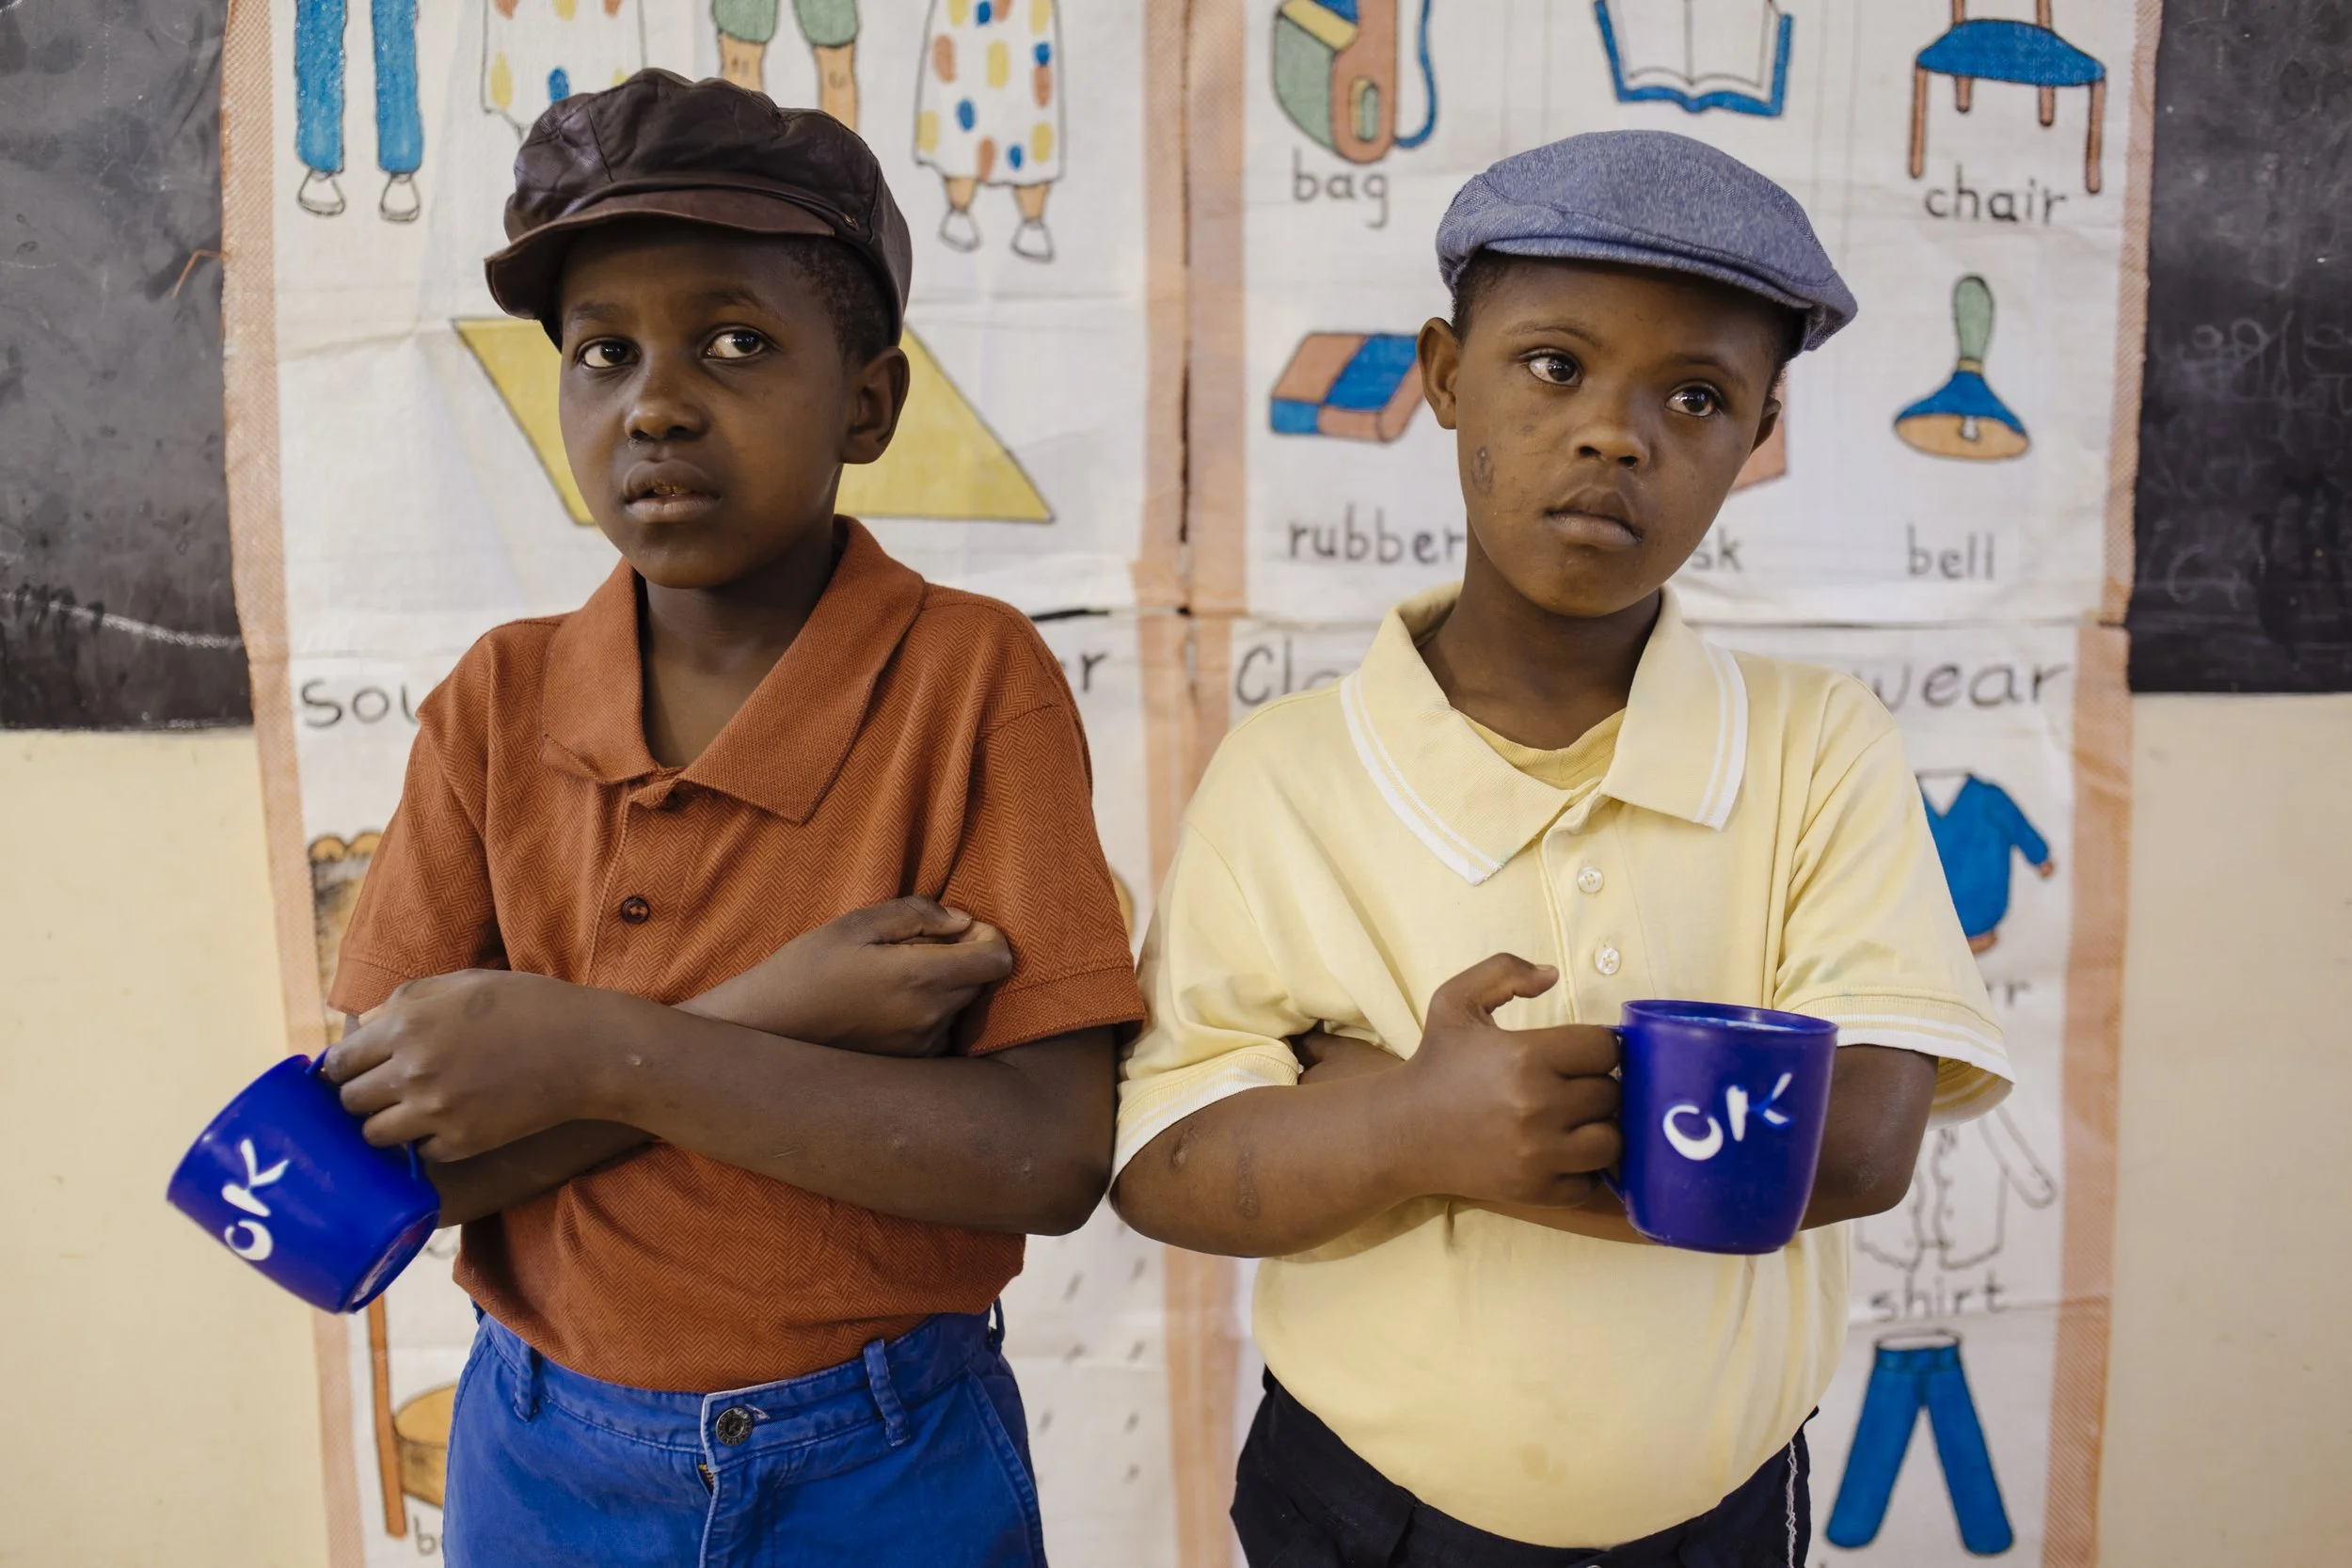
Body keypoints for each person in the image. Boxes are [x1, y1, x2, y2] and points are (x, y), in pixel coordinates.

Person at [1112, 131, 2013, 1567]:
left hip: (1719, 1517)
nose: (1615, 432)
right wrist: (1423, 1123)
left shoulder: (1813, 744)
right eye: (1553, 367)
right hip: (1363, 1508)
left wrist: (1394, 1122)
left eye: (1697, 395)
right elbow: (1165, 1162)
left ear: (1758, 437)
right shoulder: (1287, 773)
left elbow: (1858, 1140)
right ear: (1443, 373)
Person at [321, 71, 1142, 1567]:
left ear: (870, 401)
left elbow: (1043, 1156)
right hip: (546, 1458)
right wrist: (766, 1014)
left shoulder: (973, 680)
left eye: (736, 342)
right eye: (602, 352)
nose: (656, 401)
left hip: (888, 1459)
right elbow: (377, 1178)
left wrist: (573, 1048)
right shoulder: (493, 707)